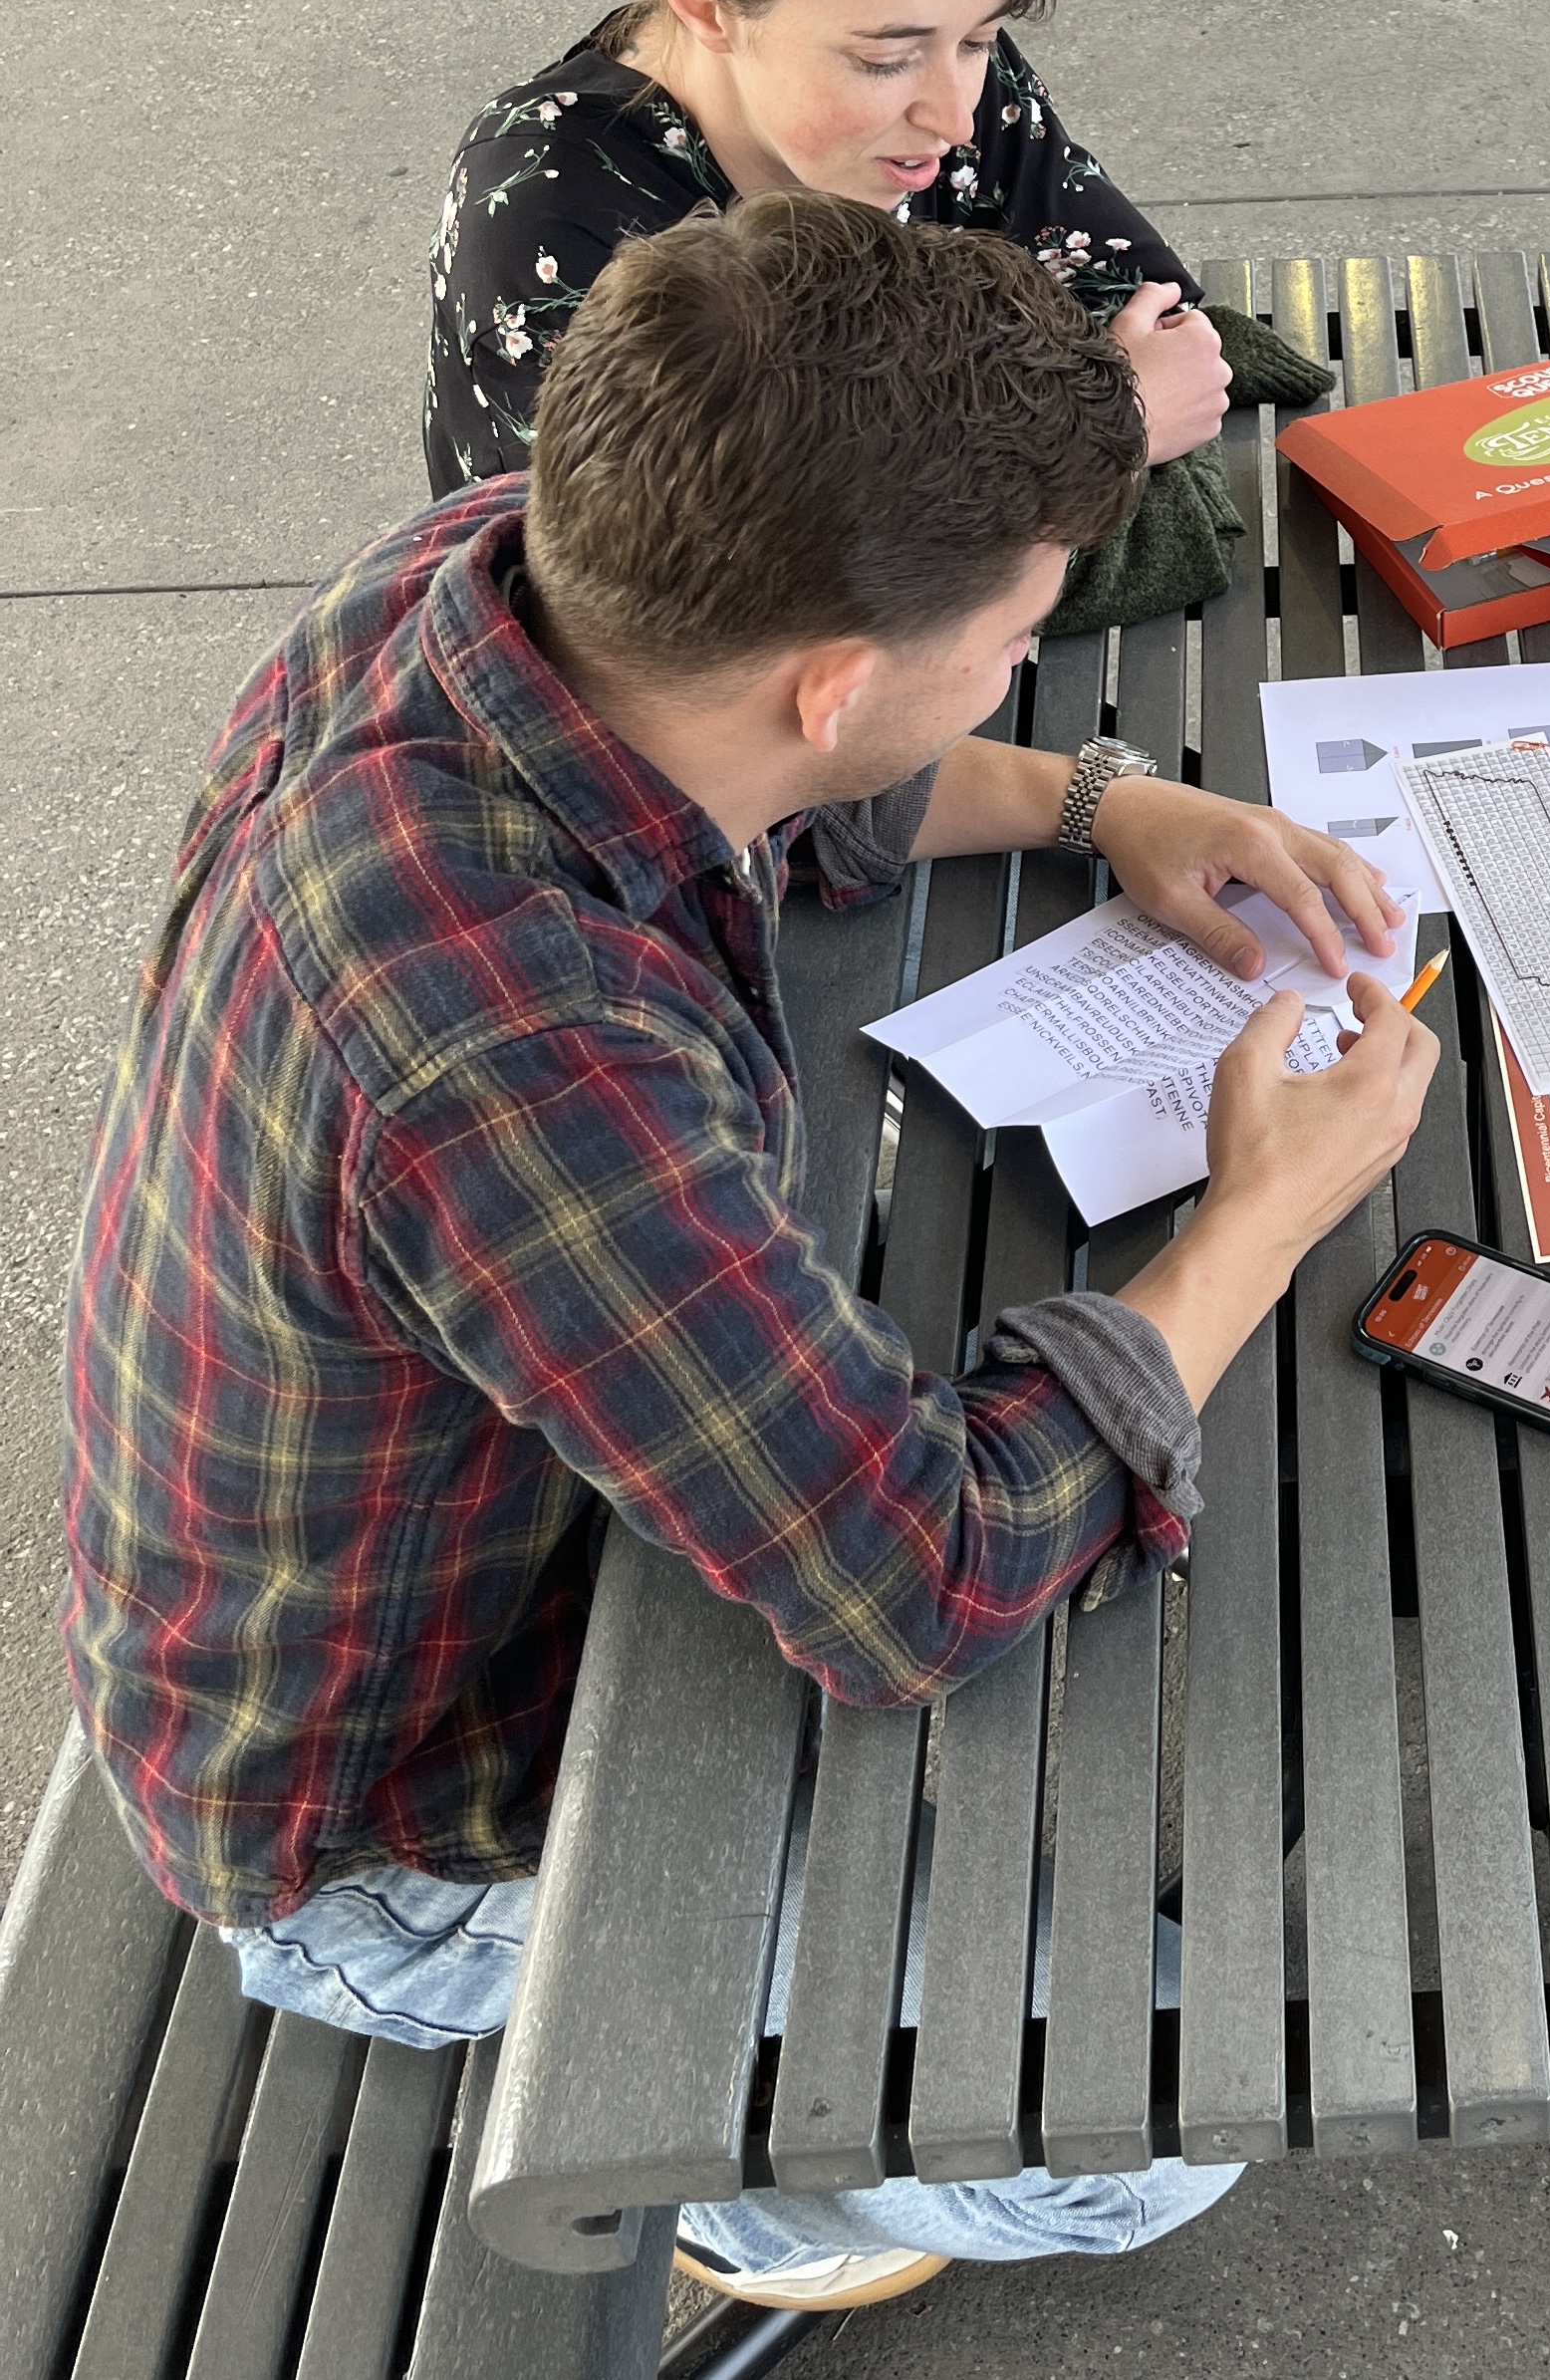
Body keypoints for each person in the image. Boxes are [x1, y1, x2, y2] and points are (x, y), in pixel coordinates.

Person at [65, 195, 1436, 2307]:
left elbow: (824, 796)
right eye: (1011, 640)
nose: (1017, 672)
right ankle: (725, 2180)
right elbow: (921, 1577)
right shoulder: (514, 1049)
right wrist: (1265, 1202)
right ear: (835, 678)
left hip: (426, 1543)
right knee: (1172, 2112)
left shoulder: (484, 575)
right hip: (385, 1820)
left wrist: (1101, 805)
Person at [423, 0, 1229, 499]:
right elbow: (686, 573)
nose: (955, 119)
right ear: (706, 4)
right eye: (884, 61)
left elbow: (1144, 312)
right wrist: (1093, 431)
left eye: (980, 39)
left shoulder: (937, 54)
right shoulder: (543, 210)